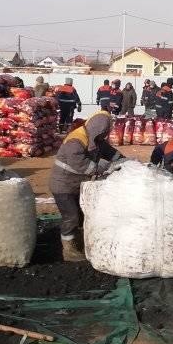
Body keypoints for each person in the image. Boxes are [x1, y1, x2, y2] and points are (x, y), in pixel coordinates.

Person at [49, 110, 121, 261]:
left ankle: (79, 243)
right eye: (104, 132)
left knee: (81, 215)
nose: (104, 136)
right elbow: (80, 164)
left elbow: (111, 153)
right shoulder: (76, 140)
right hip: (62, 185)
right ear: (98, 128)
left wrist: (125, 162)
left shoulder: (95, 139)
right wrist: (102, 168)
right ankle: (68, 250)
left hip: (75, 185)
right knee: (71, 216)